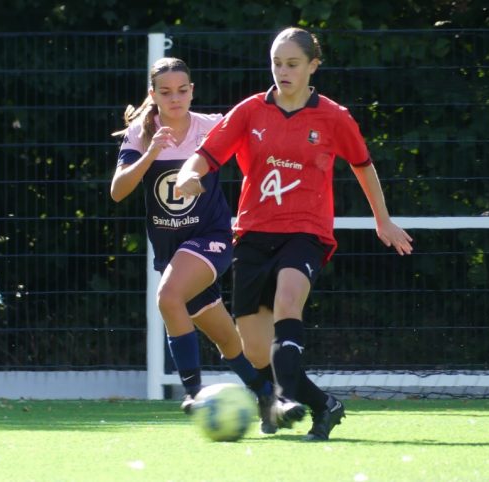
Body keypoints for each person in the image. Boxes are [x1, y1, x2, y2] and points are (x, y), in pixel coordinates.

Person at [175, 28, 414, 442]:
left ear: (312, 66)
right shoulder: (250, 111)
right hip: (252, 234)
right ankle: (318, 405)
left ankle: (282, 400)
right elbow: (205, 155)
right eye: (276, 63)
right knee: (254, 348)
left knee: (288, 301)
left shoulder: (333, 117)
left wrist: (383, 219)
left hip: (306, 232)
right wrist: (186, 175)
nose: (282, 71)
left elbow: (363, 164)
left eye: (292, 64)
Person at [110, 57, 274, 432]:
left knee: (168, 298)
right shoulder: (141, 133)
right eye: (166, 92)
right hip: (173, 252)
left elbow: (258, 148)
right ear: (153, 94)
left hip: (212, 239)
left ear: (192, 91)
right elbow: (118, 192)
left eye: (183, 90)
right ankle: (267, 393)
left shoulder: (211, 126)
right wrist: (151, 152)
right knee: (226, 338)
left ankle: (193, 392)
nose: (175, 98)